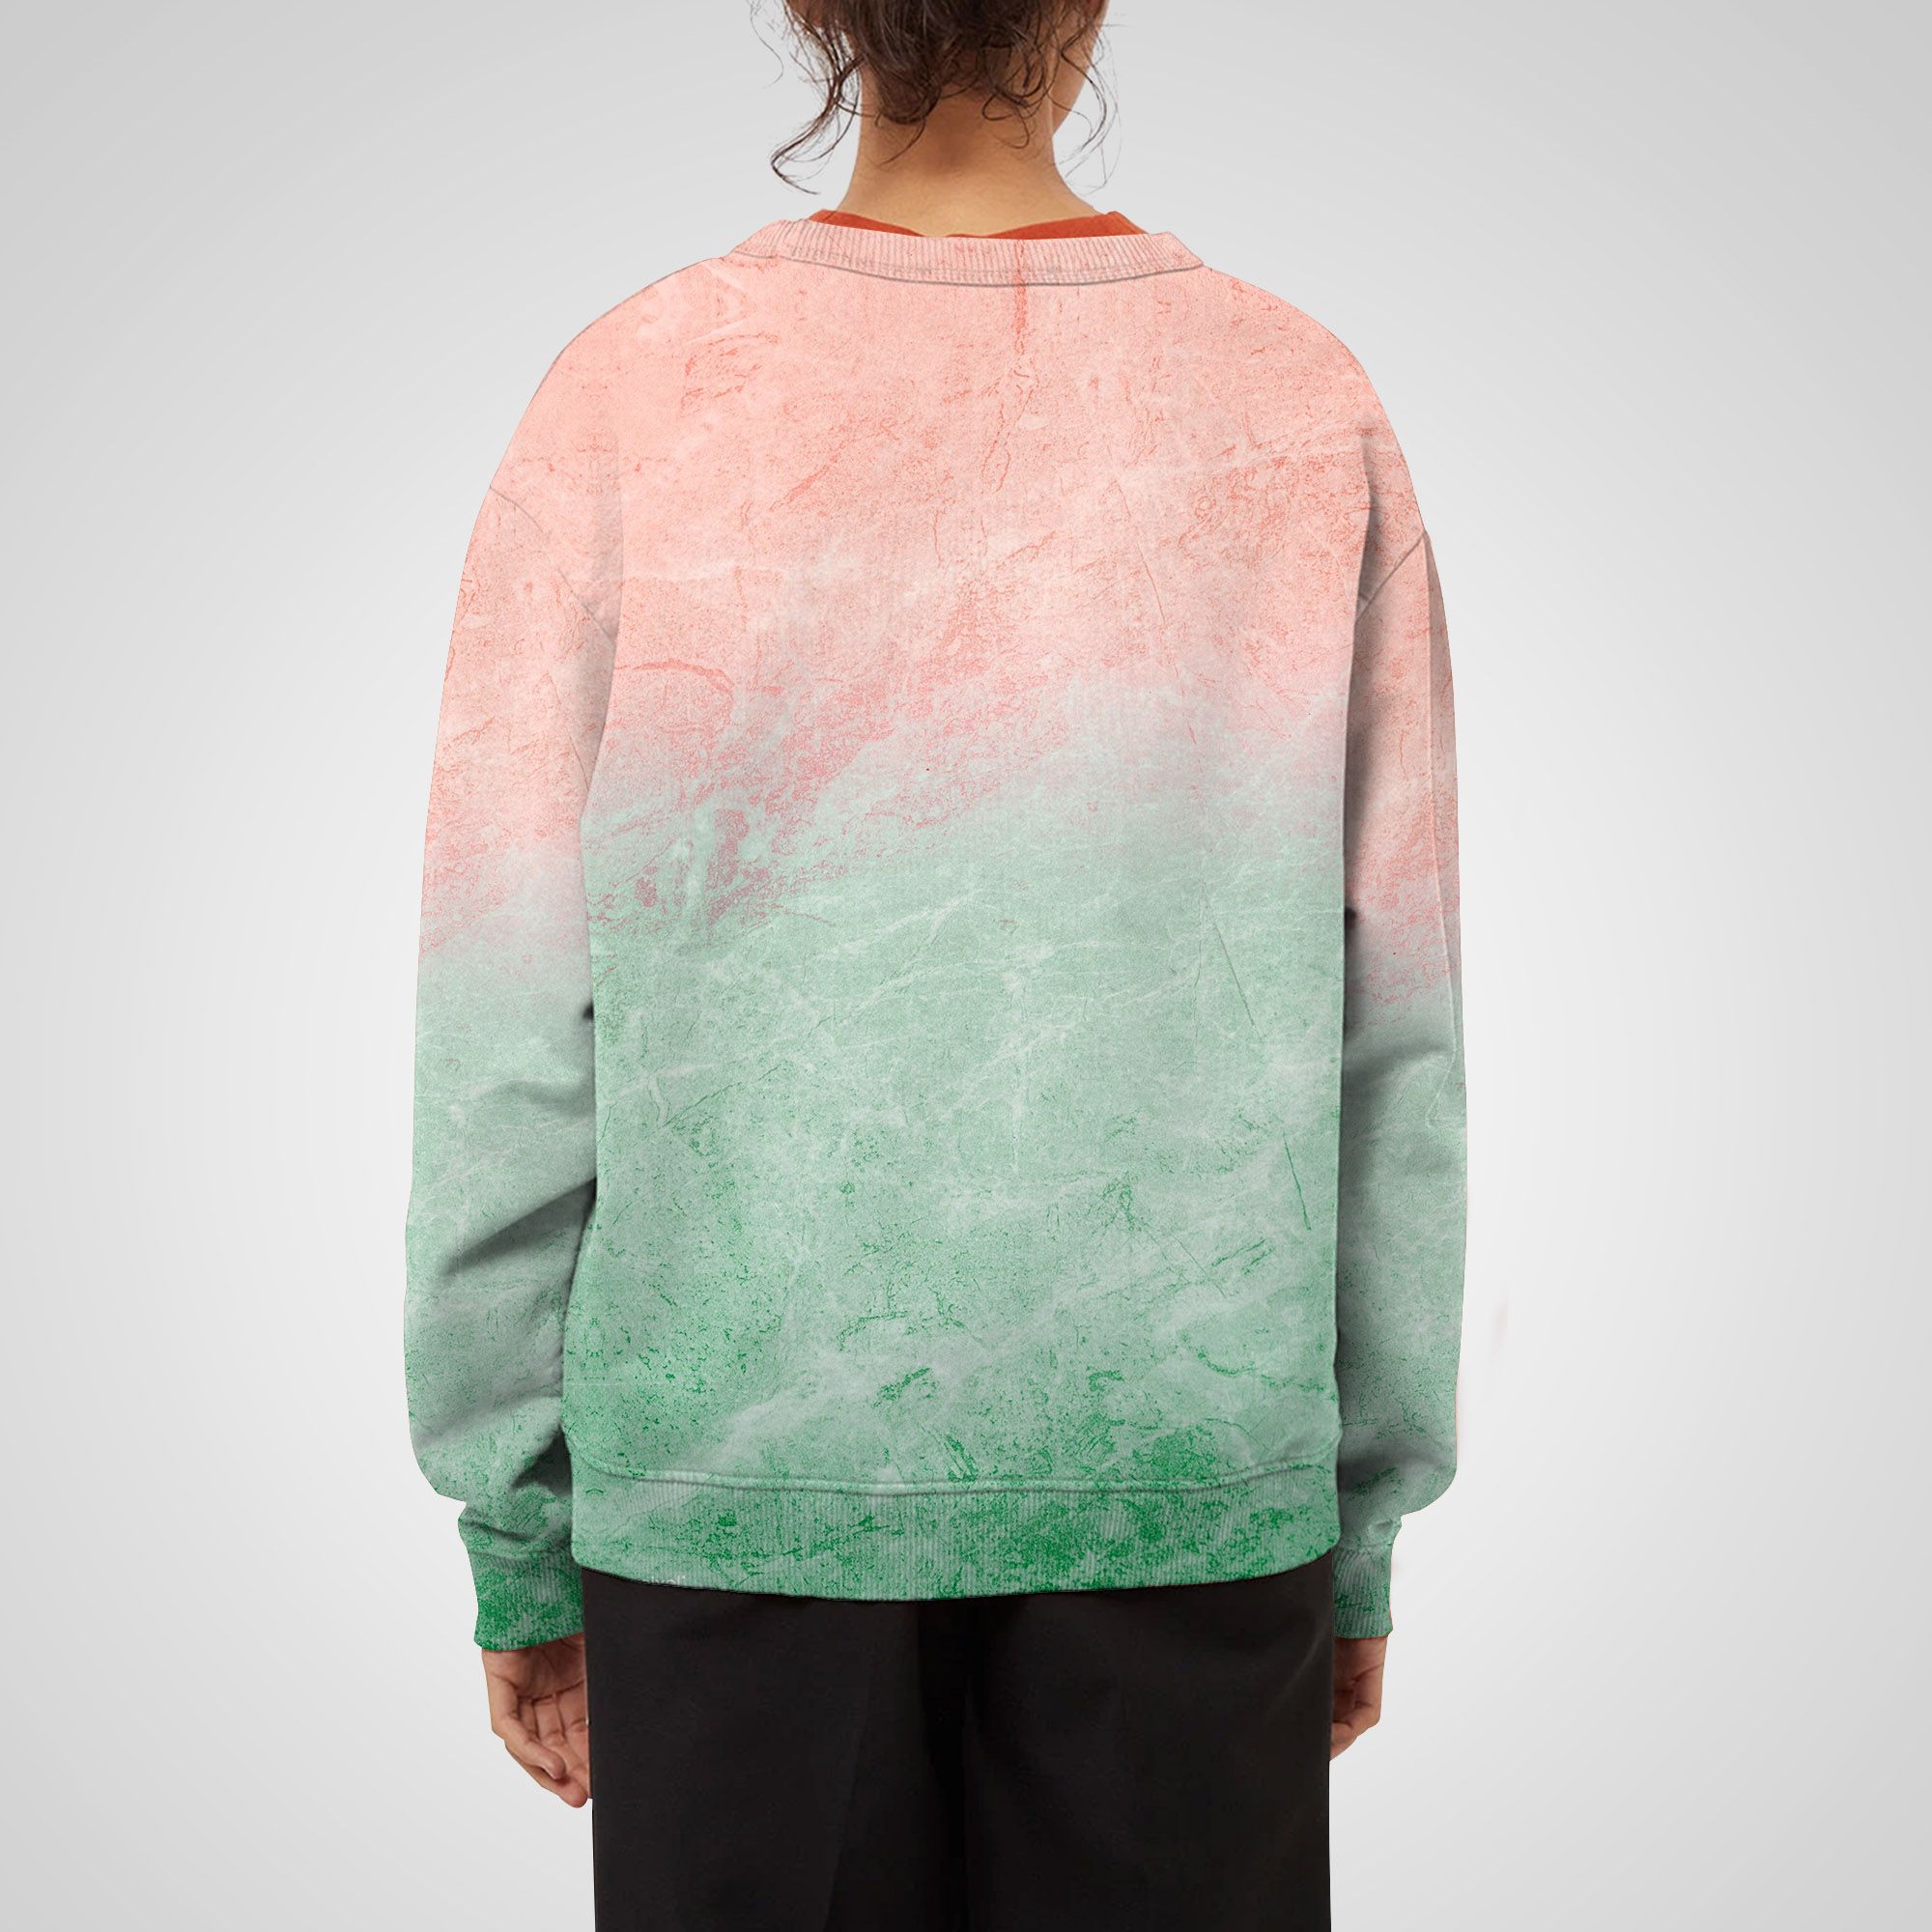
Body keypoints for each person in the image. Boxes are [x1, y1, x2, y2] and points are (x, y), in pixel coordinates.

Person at [404, 3, 1465, 1924]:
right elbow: (1394, 1022)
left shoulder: (637, 395)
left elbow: (508, 1026)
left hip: (729, 1505)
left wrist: (522, 1531)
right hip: (1183, 1489)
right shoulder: (1295, 400)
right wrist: (1354, 1520)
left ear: (813, 13)